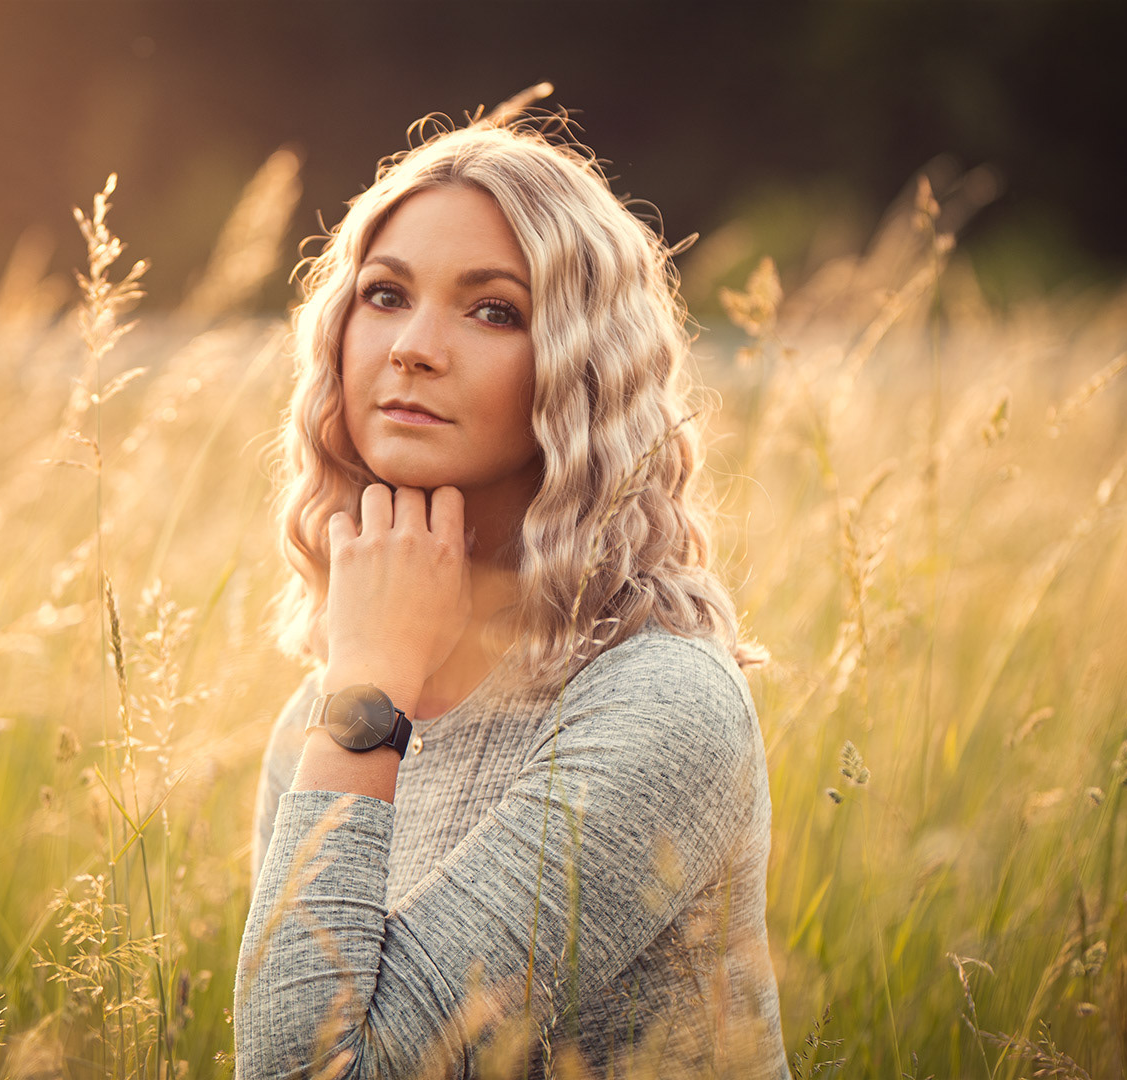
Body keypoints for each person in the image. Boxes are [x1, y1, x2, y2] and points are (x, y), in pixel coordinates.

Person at [235, 95, 789, 1080]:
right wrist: (366, 686)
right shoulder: (322, 723)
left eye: (494, 309)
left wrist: (365, 701)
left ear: (580, 370)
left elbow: (311, 1072)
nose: (413, 345)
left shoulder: (661, 705)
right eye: (385, 294)